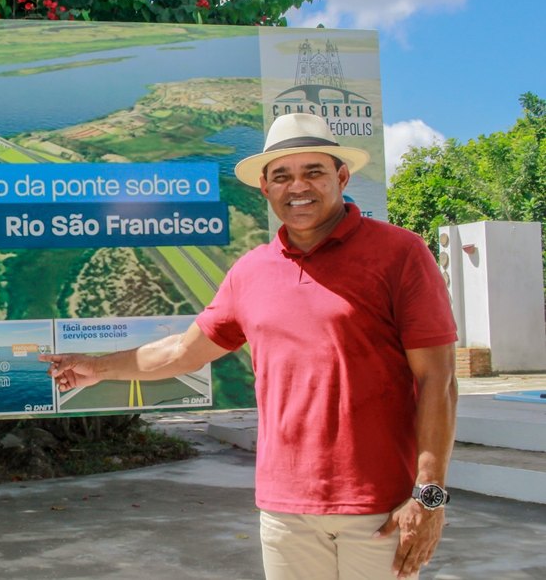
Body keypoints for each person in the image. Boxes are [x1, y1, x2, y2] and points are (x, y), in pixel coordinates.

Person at [42, 113, 458, 580]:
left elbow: (437, 379)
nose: (297, 186)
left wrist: (429, 495)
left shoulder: (400, 253)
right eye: (282, 176)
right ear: (265, 188)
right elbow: (182, 352)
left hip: (380, 511)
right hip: (284, 512)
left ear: (341, 176)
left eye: (313, 172)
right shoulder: (250, 271)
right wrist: (96, 368)